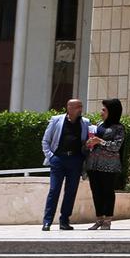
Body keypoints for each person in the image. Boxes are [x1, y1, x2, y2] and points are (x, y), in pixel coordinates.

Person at [40, 98, 91, 231]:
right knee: (54, 190)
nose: (80, 109)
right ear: (69, 107)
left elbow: (85, 142)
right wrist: (51, 157)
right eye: (77, 107)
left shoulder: (85, 123)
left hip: (75, 160)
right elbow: (45, 141)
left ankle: (64, 221)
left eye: (81, 106)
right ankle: (47, 221)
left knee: (71, 192)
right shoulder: (56, 120)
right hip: (58, 160)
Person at [84, 98, 126, 230]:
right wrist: (89, 143)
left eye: (104, 109)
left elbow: (116, 146)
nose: (101, 112)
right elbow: (92, 142)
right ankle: (99, 219)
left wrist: (100, 141)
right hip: (93, 165)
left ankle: (107, 220)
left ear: (111, 111)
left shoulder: (119, 128)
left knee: (107, 192)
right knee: (96, 192)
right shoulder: (99, 124)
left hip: (109, 166)